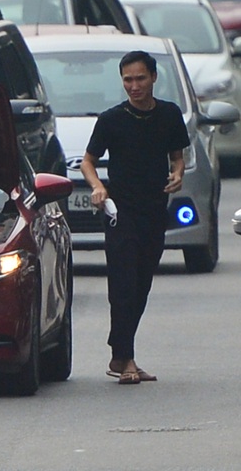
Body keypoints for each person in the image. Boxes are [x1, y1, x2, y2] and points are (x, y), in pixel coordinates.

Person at [80, 50, 189, 385]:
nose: (134, 85)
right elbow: (88, 160)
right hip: (121, 212)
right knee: (124, 283)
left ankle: (122, 353)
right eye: (127, 79)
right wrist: (98, 187)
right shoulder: (112, 119)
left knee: (141, 283)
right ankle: (124, 358)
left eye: (140, 78)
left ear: (153, 78)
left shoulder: (169, 114)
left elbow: (177, 155)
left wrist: (178, 173)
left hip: (154, 209)